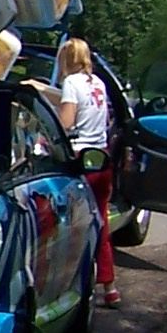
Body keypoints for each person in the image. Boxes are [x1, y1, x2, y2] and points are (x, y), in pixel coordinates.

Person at [50, 36, 120, 310]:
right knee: (100, 222)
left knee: (68, 226)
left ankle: (67, 287)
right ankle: (110, 287)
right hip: (101, 158)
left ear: (65, 60)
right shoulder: (96, 83)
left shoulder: (70, 83)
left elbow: (66, 123)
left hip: (80, 159)